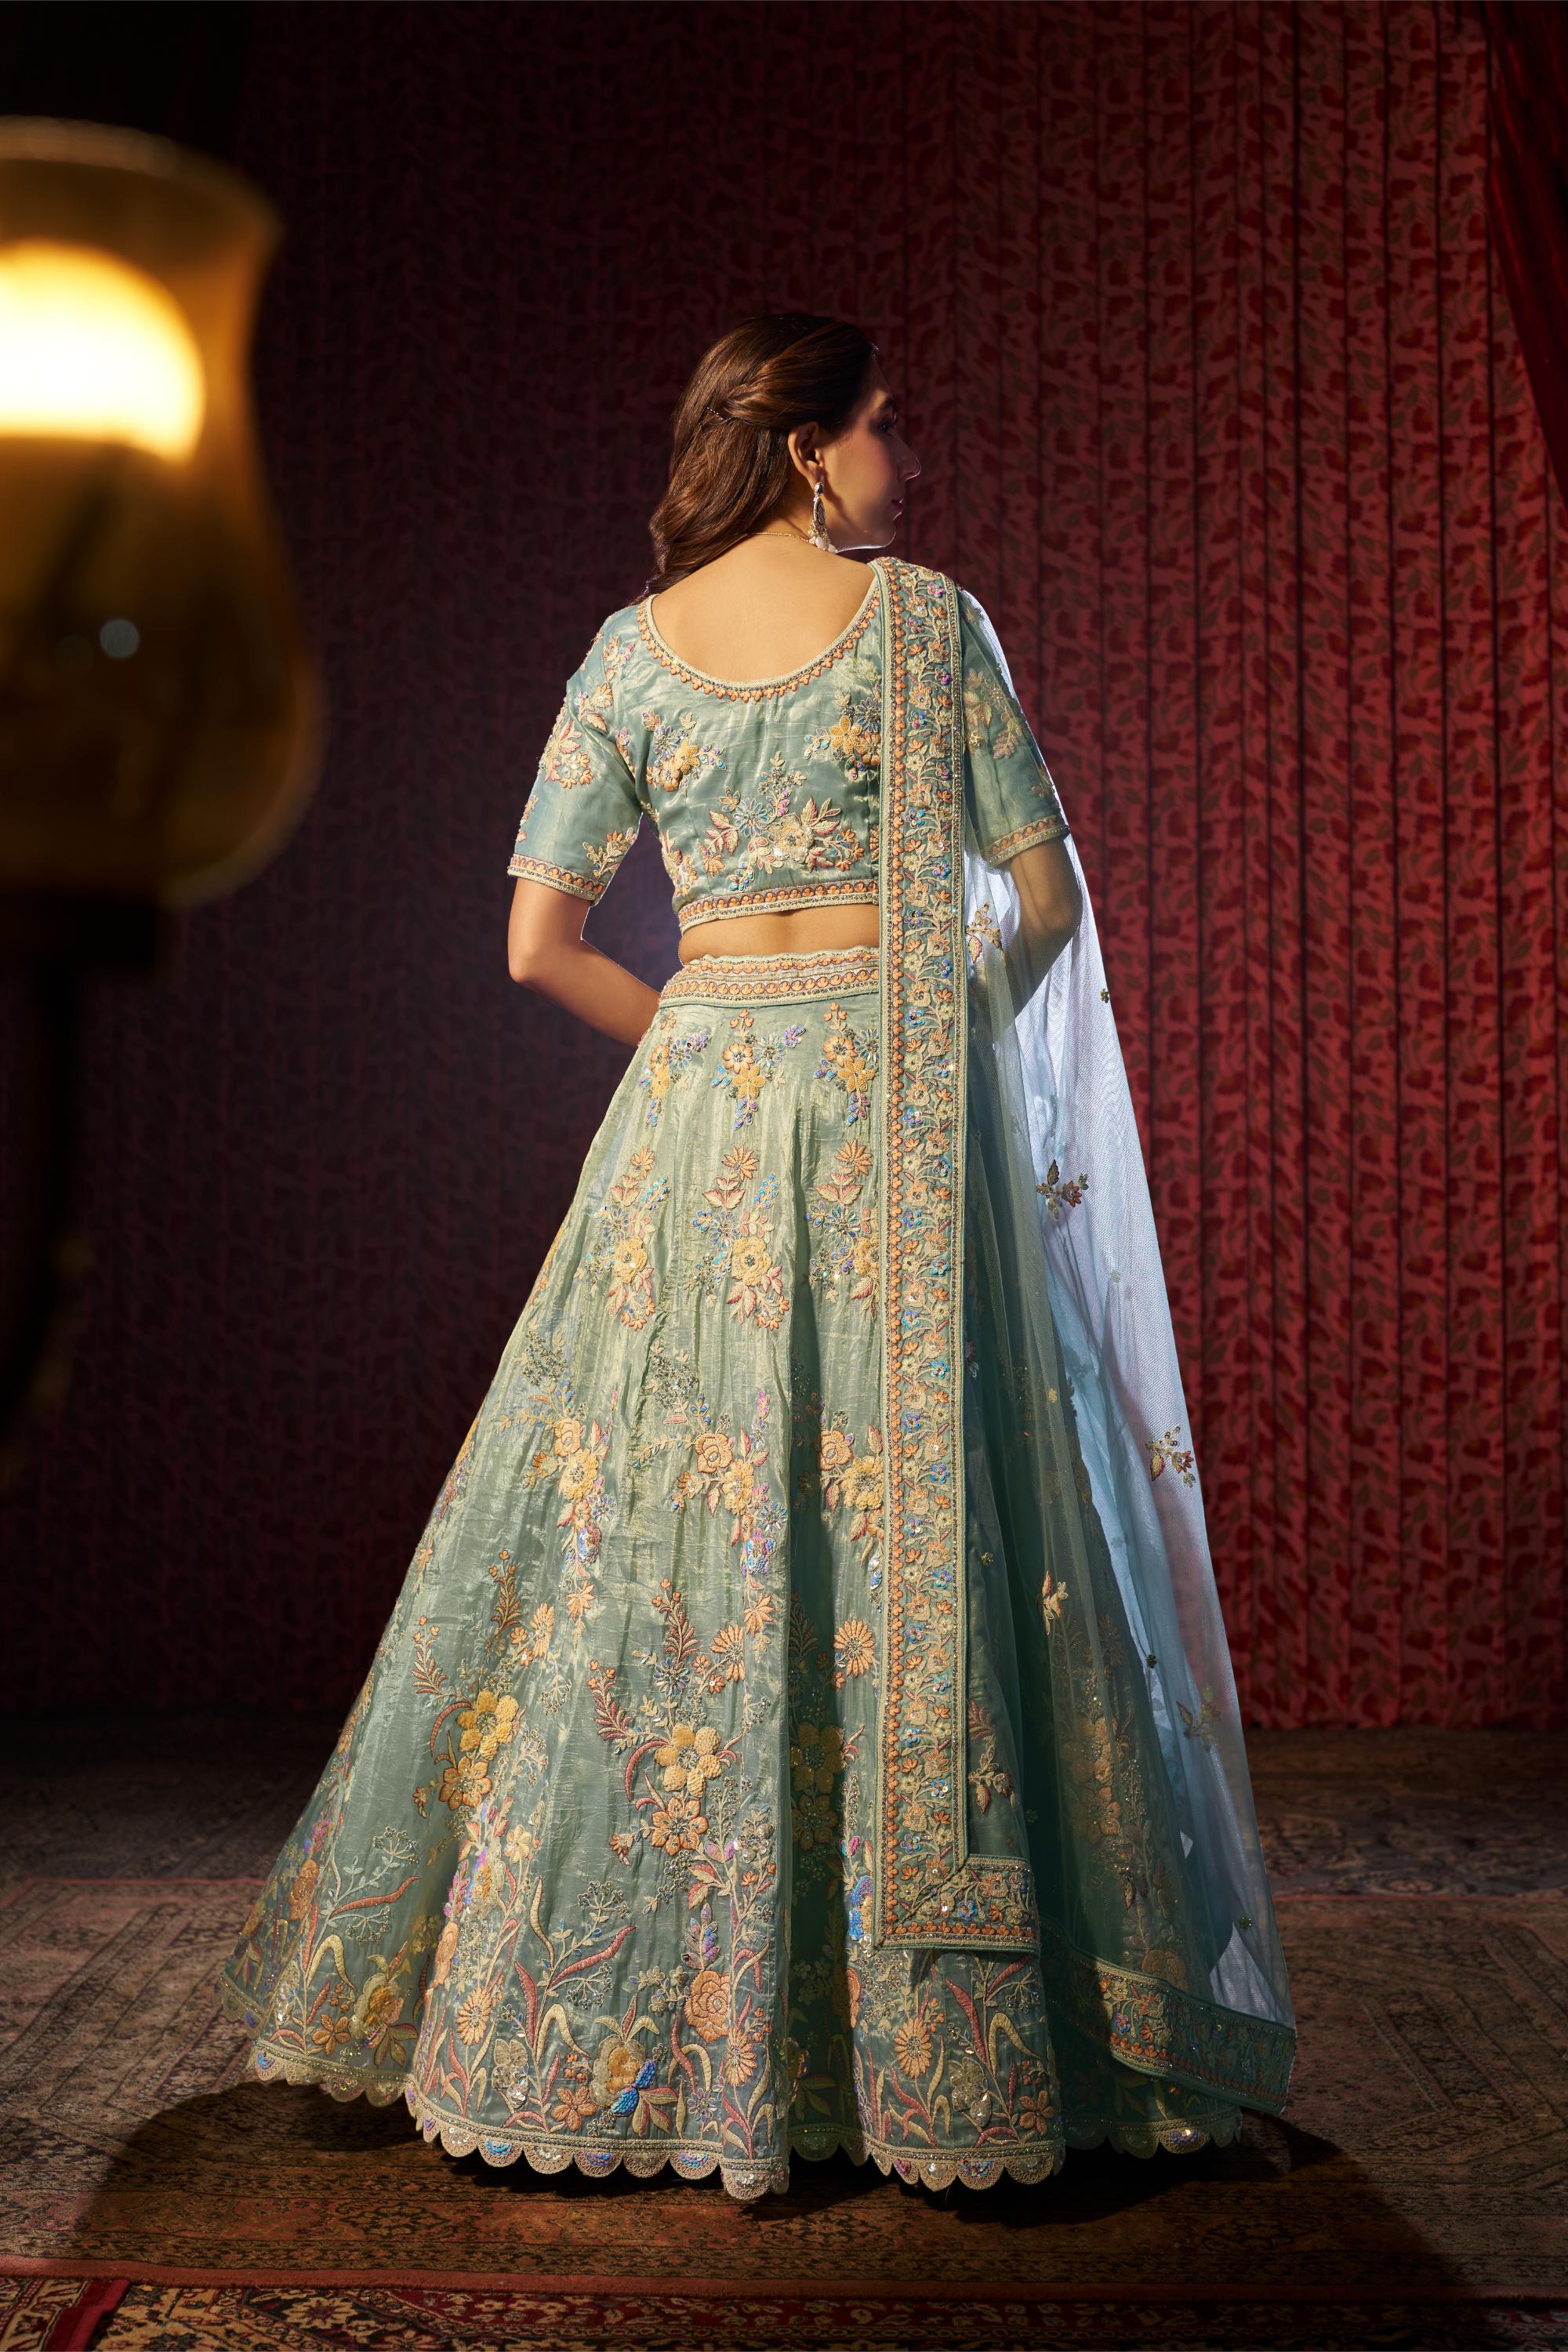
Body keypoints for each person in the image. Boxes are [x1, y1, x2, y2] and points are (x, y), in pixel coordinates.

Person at [221, 313, 1295, 2201]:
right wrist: (927, 1045)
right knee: (933, 1517)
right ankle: (960, 2037)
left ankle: (616, 2019)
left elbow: (537, 946)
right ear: (807, 446)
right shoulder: (928, 626)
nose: (905, 459)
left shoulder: (628, 653)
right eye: (883, 426)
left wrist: (713, 1045)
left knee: (646, 1525)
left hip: (699, 1126)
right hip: (894, 1126)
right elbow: (1045, 901)